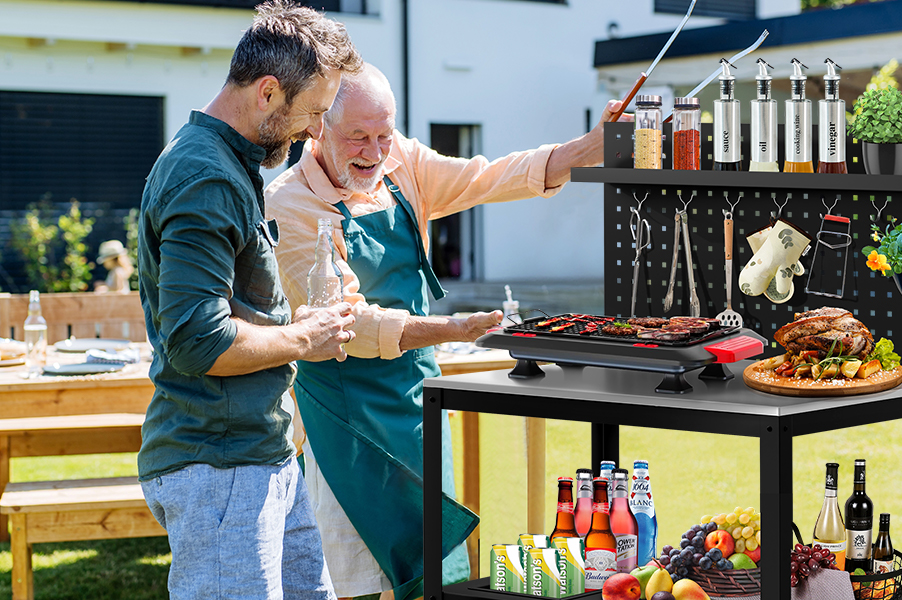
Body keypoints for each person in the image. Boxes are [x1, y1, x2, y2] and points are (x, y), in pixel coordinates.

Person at [265, 63, 632, 600]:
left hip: (417, 396)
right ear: (317, 126)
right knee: (356, 578)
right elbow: (345, 324)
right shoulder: (289, 203)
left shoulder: (401, 162)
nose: (375, 150)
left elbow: (485, 176)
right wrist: (450, 328)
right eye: (359, 137)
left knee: (434, 574)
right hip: (345, 417)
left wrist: (587, 148)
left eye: (385, 134)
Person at [136, 2, 362, 598]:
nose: (317, 131)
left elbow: (228, 312)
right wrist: (304, 339)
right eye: (314, 112)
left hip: (260, 457)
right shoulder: (205, 176)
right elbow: (196, 339)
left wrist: (296, 320)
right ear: (268, 92)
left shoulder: (227, 165)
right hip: (219, 468)